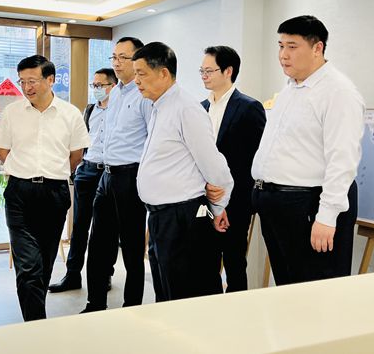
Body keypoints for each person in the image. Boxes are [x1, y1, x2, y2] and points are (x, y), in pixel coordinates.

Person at [251, 15, 364, 285]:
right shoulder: (291, 88)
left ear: (317, 48)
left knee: (315, 288)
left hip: (308, 205)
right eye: (281, 46)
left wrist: (327, 216)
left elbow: (342, 159)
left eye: (292, 47)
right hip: (278, 204)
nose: (283, 55)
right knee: (288, 284)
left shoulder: (338, 92)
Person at [133, 41, 234, 301]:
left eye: (141, 73)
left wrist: (218, 207)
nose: (136, 81)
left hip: (183, 218)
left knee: (187, 295)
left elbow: (213, 164)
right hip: (161, 217)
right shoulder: (159, 106)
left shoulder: (186, 108)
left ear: (163, 73)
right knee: (166, 292)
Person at [0, 55, 90, 321]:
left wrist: (52, 172)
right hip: (19, 192)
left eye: (33, 81)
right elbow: (3, 151)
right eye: (22, 81)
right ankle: (35, 325)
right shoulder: (12, 112)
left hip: (54, 193)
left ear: (50, 80)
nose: (27, 87)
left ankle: (35, 321)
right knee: (27, 266)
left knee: (45, 262)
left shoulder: (70, 113)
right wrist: (24, 169)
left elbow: (76, 155)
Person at [82, 37, 153, 312]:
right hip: (106, 175)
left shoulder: (144, 95)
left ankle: (132, 307)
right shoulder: (116, 94)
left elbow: (152, 140)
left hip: (130, 177)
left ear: (138, 60)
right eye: (114, 57)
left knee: (132, 248)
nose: (117, 62)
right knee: (98, 243)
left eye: (124, 57)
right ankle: (95, 303)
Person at [200, 46, 266, 292]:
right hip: (204, 199)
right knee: (206, 262)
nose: (204, 75)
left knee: (234, 262)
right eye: (201, 71)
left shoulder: (249, 107)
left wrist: (227, 201)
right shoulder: (200, 108)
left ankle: (238, 310)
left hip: (235, 202)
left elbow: (254, 161)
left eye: (209, 70)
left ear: (228, 71)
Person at [49, 68, 117, 293]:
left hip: (108, 172)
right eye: (93, 85)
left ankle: (105, 274)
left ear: (113, 86)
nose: (96, 89)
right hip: (87, 170)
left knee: (106, 228)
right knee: (79, 225)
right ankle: (72, 275)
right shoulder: (89, 110)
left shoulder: (120, 112)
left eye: (100, 85)